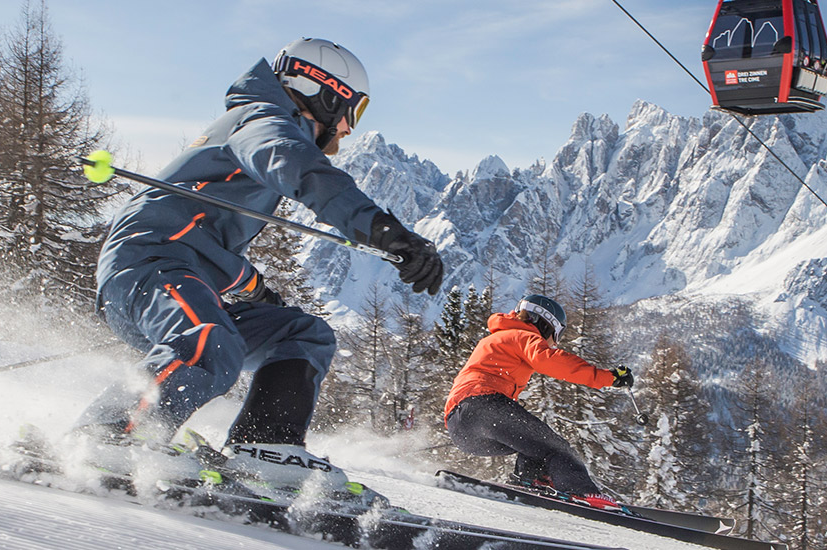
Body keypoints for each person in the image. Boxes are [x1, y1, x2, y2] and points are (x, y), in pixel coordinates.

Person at [71, 37, 444, 495]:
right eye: (353, 110)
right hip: (147, 264)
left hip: (182, 271)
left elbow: (205, 240)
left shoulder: (259, 125)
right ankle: (111, 433)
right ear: (323, 93)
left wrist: (255, 290)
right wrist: (383, 230)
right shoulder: (261, 120)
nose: (348, 128)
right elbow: (301, 170)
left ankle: (265, 446)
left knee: (302, 334)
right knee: (208, 339)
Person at [442, 294, 635, 511]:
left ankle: (532, 480)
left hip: (460, 425)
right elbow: (551, 360)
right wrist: (608, 377)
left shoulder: (497, 338)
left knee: (533, 444)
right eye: (557, 334)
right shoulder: (521, 336)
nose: (553, 342)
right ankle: (582, 492)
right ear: (544, 323)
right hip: (483, 405)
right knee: (557, 449)